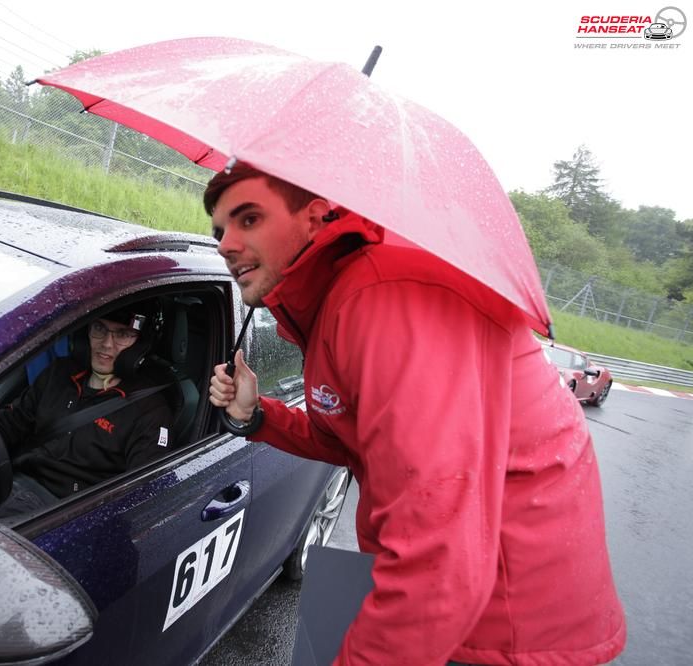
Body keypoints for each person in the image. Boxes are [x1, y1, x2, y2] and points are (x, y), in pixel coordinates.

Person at [206, 163, 626, 665]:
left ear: (315, 218)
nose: (226, 243)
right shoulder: (340, 300)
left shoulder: (383, 300)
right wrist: (257, 417)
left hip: (501, 630)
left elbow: (438, 564)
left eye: (248, 219)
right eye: (219, 228)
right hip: (464, 606)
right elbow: (356, 441)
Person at [0, 302, 174, 512]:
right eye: (99, 328)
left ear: (140, 344)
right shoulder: (60, 373)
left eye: (123, 334)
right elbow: (9, 424)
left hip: (56, 514)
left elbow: (143, 493)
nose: (107, 344)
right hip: (9, 484)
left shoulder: (150, 410)